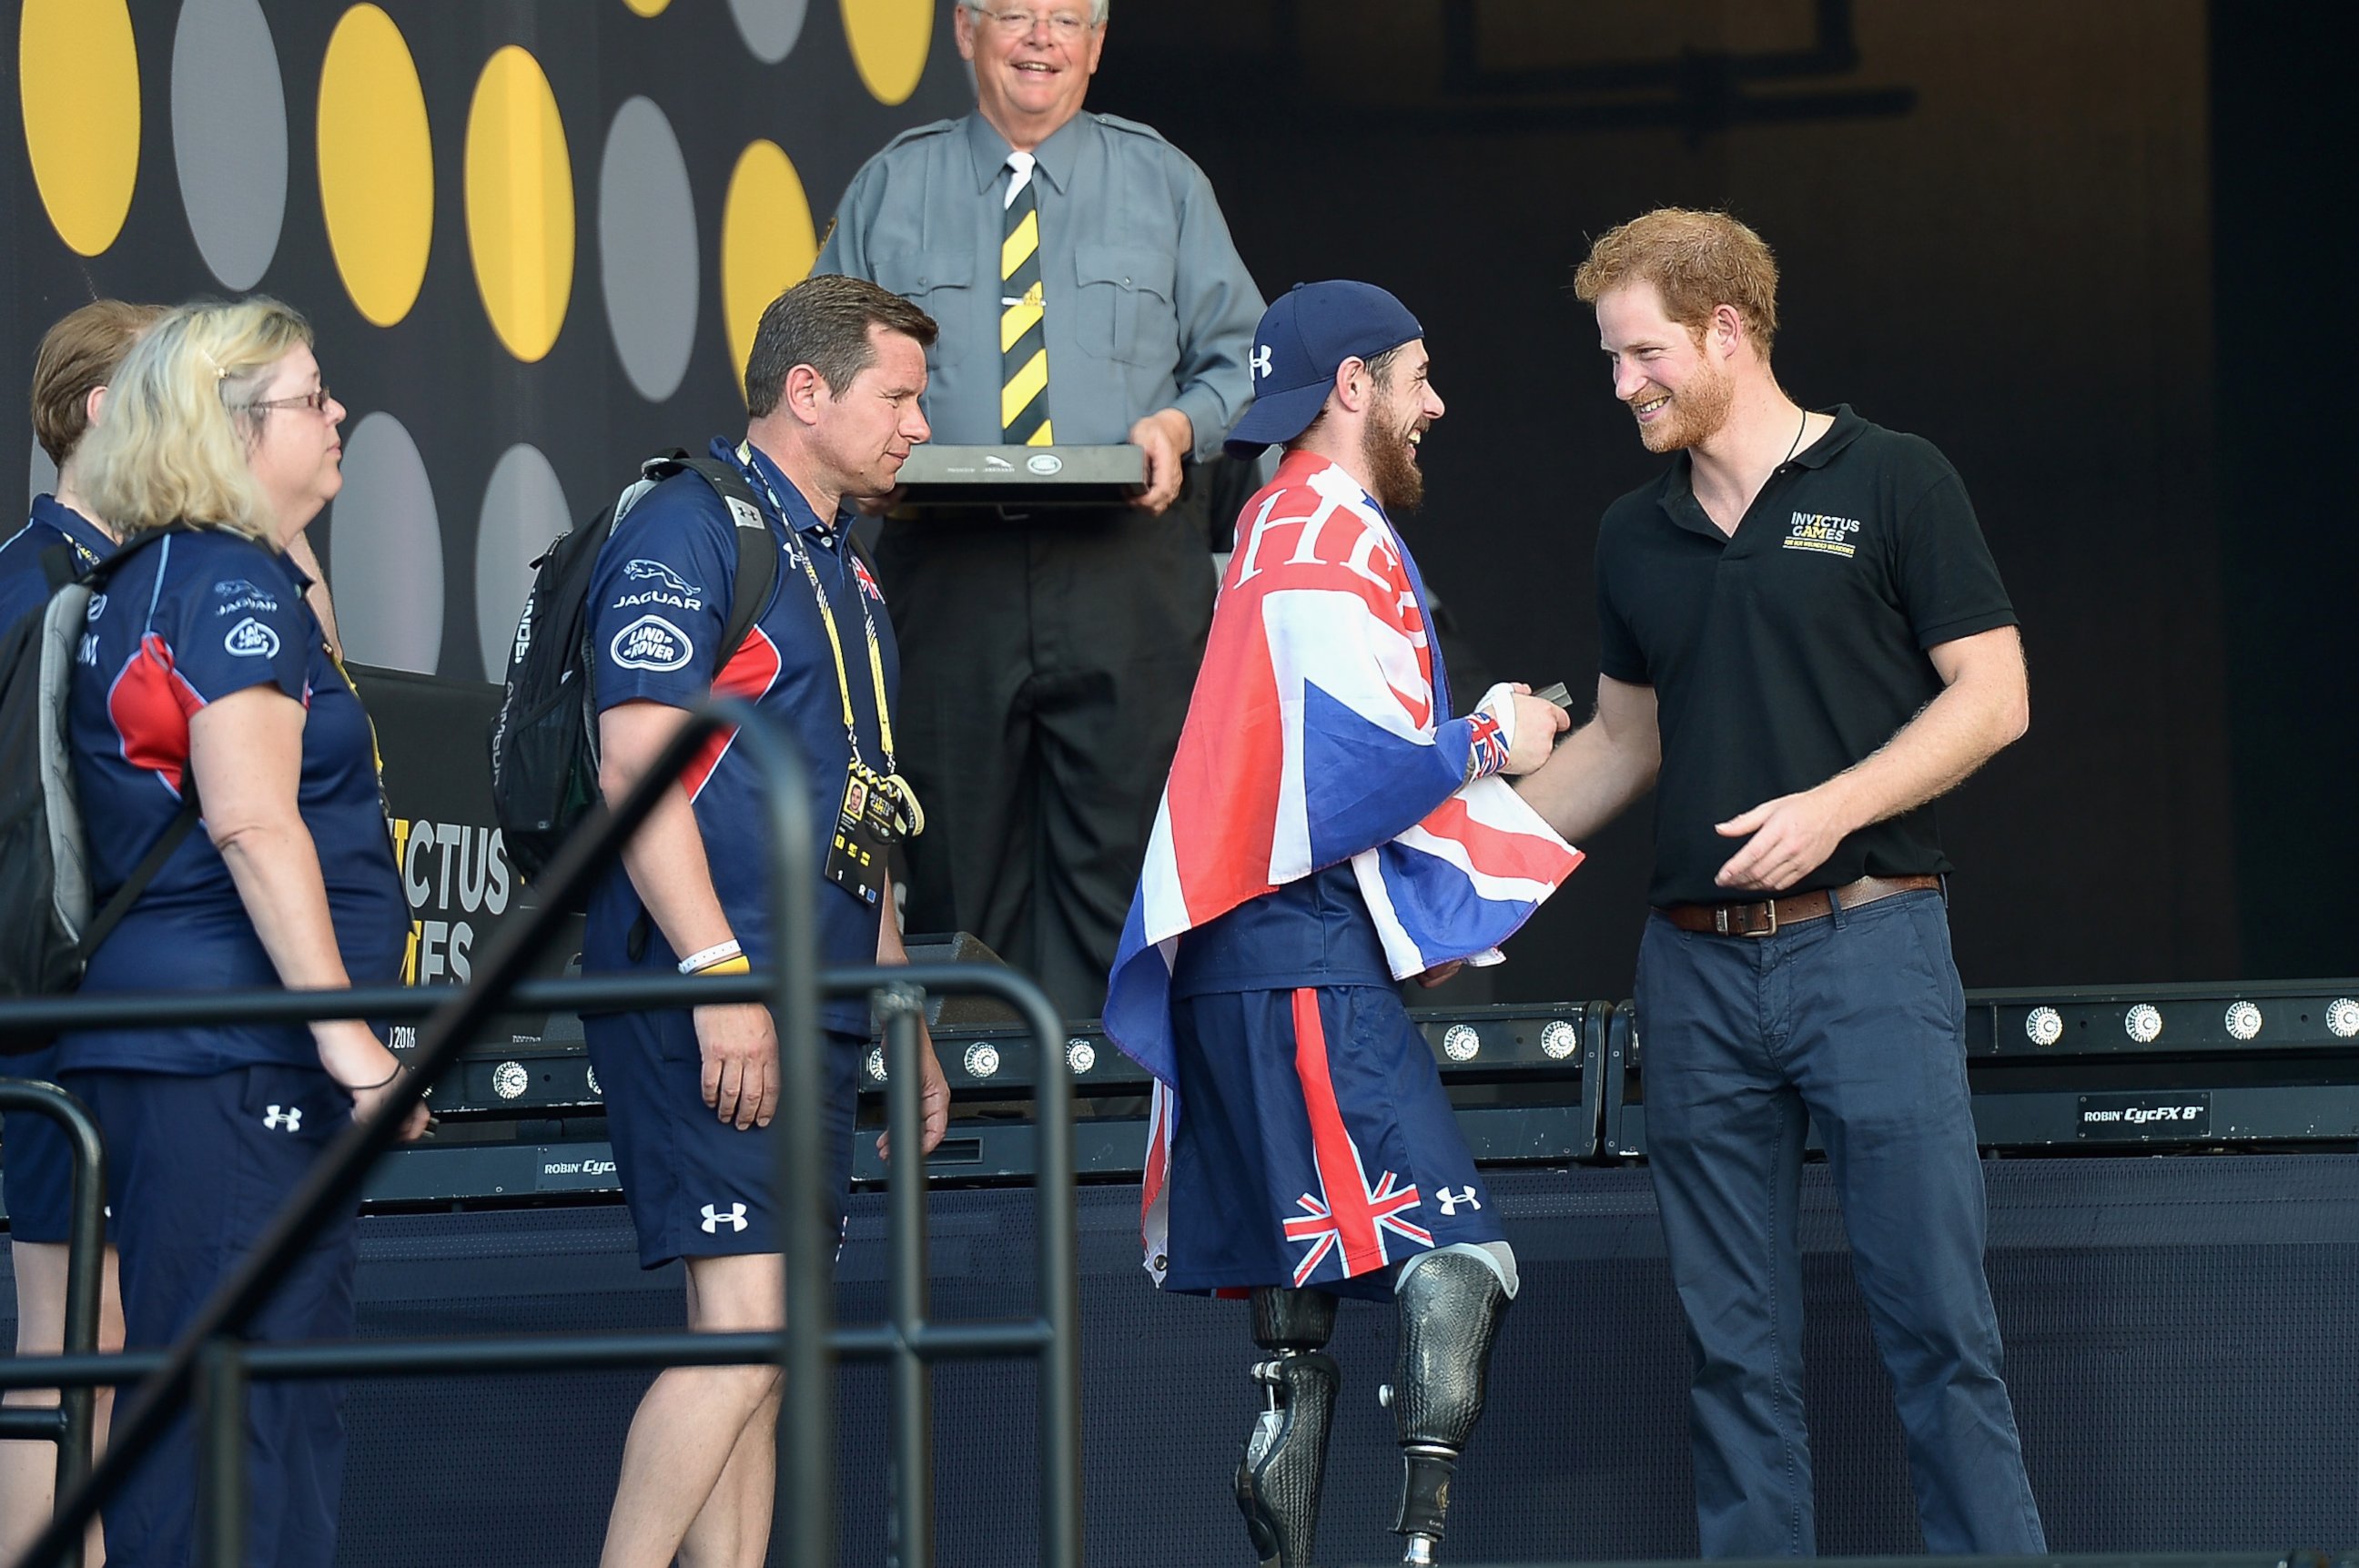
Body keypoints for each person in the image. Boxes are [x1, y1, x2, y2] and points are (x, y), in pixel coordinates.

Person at [1520, 208, 2043, 1554]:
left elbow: (1996, 696)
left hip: (1869, 944)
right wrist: (1463, 884)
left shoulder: (1896, 479)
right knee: (1730, 1353)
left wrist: (1840, 805)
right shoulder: (1633, 535)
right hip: (1693, 970)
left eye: (1642, 352)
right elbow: (1622, 746)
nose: (1622, 381)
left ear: (1727, 332)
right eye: (1612, 356)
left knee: (1939, 1326)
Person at [1102, 281, 1579, 1567]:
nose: (1436, 403)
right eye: (1417, 375)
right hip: (1296, 959)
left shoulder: (1275, 522)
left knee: (1292, 1319)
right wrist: (1496, 730)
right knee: (1460, 1260)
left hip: (1250, 960)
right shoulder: (1321, 532)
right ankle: (1419, 1545)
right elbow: (1340, 777)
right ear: (1351, 386)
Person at [582, 274, 953, 1568]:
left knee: (766, 1346)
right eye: (897, 395)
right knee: (744, 1331)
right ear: (809, 390)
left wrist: (903, 1014)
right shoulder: (692, 527)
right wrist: (714, 974)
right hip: (717, 983)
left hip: (823, 996)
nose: (918, 422)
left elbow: (870, 818)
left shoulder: (844, 567)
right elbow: (636, 765)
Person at [51, 296, 427, 1568]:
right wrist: (356, 1048)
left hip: (213, 1053)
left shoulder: (183, 569)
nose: (340, 418)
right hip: (229, 1057)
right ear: (229, 428)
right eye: (313, 398)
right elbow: (255, 824)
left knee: (246, 1406)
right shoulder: (224, 582)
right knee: (234, 1413)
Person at [815, 0, 1263, 1020]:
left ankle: (1121, 1124)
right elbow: (822, 359)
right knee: (948, 854)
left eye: (1067, 18)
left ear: (1099, 46)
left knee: (1139, 851)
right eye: (1014, 13)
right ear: (965, 30)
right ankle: (974, 1126)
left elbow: (1243, 360)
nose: (1040, 39)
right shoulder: (896, 182)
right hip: (945, 565)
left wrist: (1180, 428)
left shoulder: (1164, 181)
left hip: (1126, 568)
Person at [0, 297, 162, 1568]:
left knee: (94, 1327)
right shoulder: (42, 587)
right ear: (105, 411)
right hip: (52, 1012)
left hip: (87, 1012)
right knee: (67, 1327)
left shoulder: (103, 581)